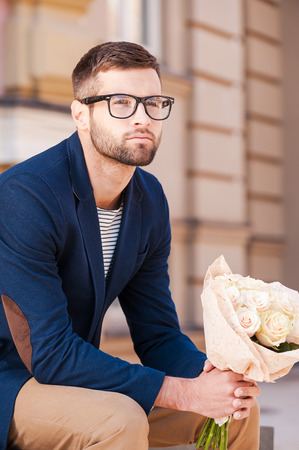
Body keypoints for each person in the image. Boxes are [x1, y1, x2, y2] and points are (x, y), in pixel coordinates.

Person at [0, 41, 260, 449]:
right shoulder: (26, 197)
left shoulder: (149, 199)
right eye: (121, 102)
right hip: (11, 382)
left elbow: (156, 334)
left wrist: (212, 376)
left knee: (235, 406)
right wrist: (183, 392)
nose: (142, 117)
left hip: (73, 377)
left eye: (153, 103)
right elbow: (49, 354)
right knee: (117, 420)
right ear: (80, 115)